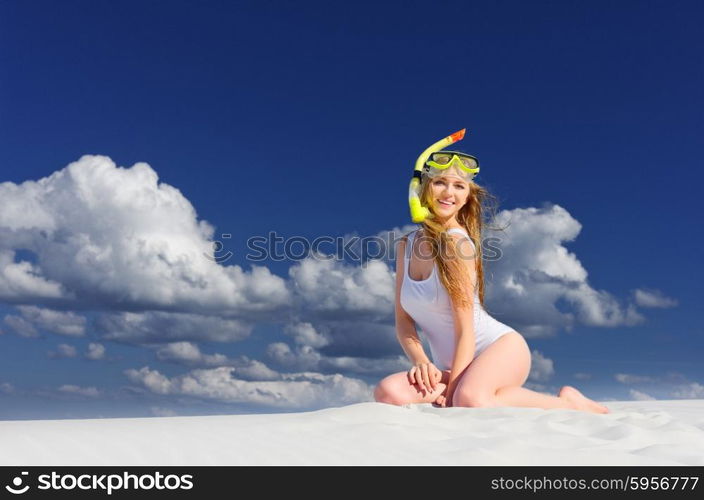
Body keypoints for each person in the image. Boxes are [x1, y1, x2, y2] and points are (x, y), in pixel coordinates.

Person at [374, 150, 610, 413]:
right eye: (440, 182)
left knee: (468, 400)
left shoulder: (457, 244)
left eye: (459, 186)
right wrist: (421, 361)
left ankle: (568, 404)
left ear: (467, 197)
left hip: (498, 349)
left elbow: (465, 329)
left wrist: (452, 394)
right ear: (422, 188)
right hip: (451, 366)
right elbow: (403, 321)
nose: (448, 193)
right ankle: (484, 391)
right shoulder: (406, 246)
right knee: (388, 392)